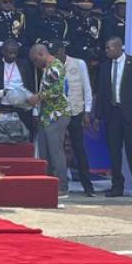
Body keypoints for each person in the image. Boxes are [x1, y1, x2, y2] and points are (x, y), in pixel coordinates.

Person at [94, 37, 132, 200]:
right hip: (112, 114)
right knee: (114, 152)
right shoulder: (105, 67)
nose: (106, 51)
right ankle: (117, 186)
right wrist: (98, 115)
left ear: (118, 48)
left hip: (129, 114)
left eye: (109, 48)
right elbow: (102, 91)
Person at [52, 40, 95, 196]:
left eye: (57, 53)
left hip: (77, 111)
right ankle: (62, 185)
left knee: (79, 149)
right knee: (58, 149)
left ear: (63, 50)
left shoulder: (79, 63)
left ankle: (88, 186)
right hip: (59, 113)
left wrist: (88, 111)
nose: (56, 56)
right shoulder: (51, 66)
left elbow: (87, 88)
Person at [28, 43, 71, 198]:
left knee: (56, 152)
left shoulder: (55, 67)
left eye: (35, 60)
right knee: (45, 152)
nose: (35, 63)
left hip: (57, 115)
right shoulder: (47, 68)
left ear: (41, 54)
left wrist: (38, 97)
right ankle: (49, 184)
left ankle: (62, 187)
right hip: (47, 116)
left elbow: (56, 91)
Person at [0, 39, 35, 136]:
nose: (13, 56)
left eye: (15, 53)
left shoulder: (24, 64)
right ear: (3, 52)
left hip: (22, 105)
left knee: (25, 134)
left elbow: (30, 86)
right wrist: (0, 93)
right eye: (10, 53)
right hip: (4, 105)